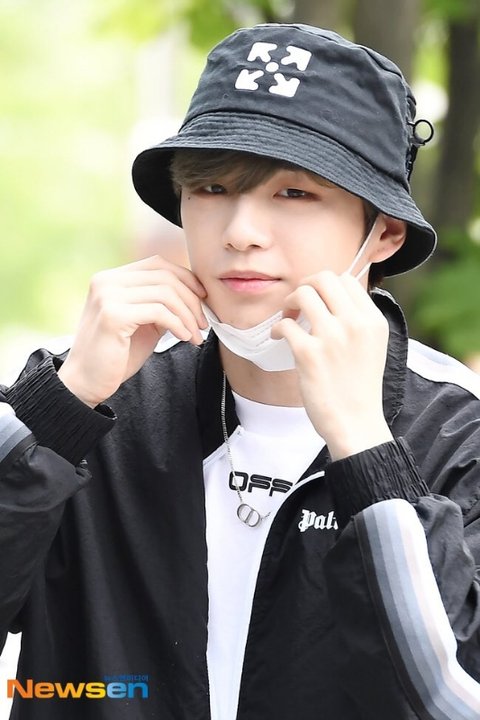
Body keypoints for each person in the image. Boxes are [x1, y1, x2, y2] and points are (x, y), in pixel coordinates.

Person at [2, 22, 480, 720]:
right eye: (213, 187)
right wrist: (62, 405)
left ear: (383, 231)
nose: (240, 232)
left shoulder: (460, 435)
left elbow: (451, 700)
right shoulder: (93, 397)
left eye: (295, 193)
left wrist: (367, 451)